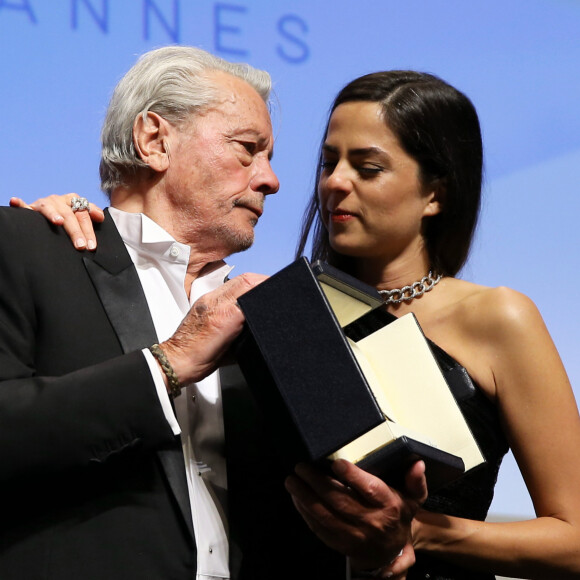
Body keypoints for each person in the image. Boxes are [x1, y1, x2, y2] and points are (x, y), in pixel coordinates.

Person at [29, 69, 580, 579]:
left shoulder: (497, 317)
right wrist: (75, 221)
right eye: (327, 163)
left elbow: (573, 539)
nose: (335, 183)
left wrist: (411, 534)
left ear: (436, 192)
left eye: (367, 167)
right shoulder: (279, 311)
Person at [1, 48, 427, 580]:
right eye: (248, 150)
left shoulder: (276, 321)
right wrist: (170, 362)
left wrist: (372, 555)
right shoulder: (22, 245)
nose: (271, 180)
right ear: (155, 140)